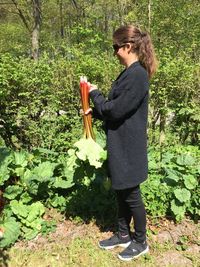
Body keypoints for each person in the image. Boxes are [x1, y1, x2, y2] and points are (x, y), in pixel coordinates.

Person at [86, 25, 157, 261]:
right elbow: (116, 111)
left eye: (115, 47)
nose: (114, 52)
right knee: (120, 190)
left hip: (129, 146)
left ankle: (141, 241)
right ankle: (123, 234)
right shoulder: (128, 73)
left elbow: (114, 110)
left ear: (128, 47)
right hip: (120, 143)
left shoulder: (137, 75)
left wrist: (94, 94)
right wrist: (93, 112)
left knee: (131, 194)